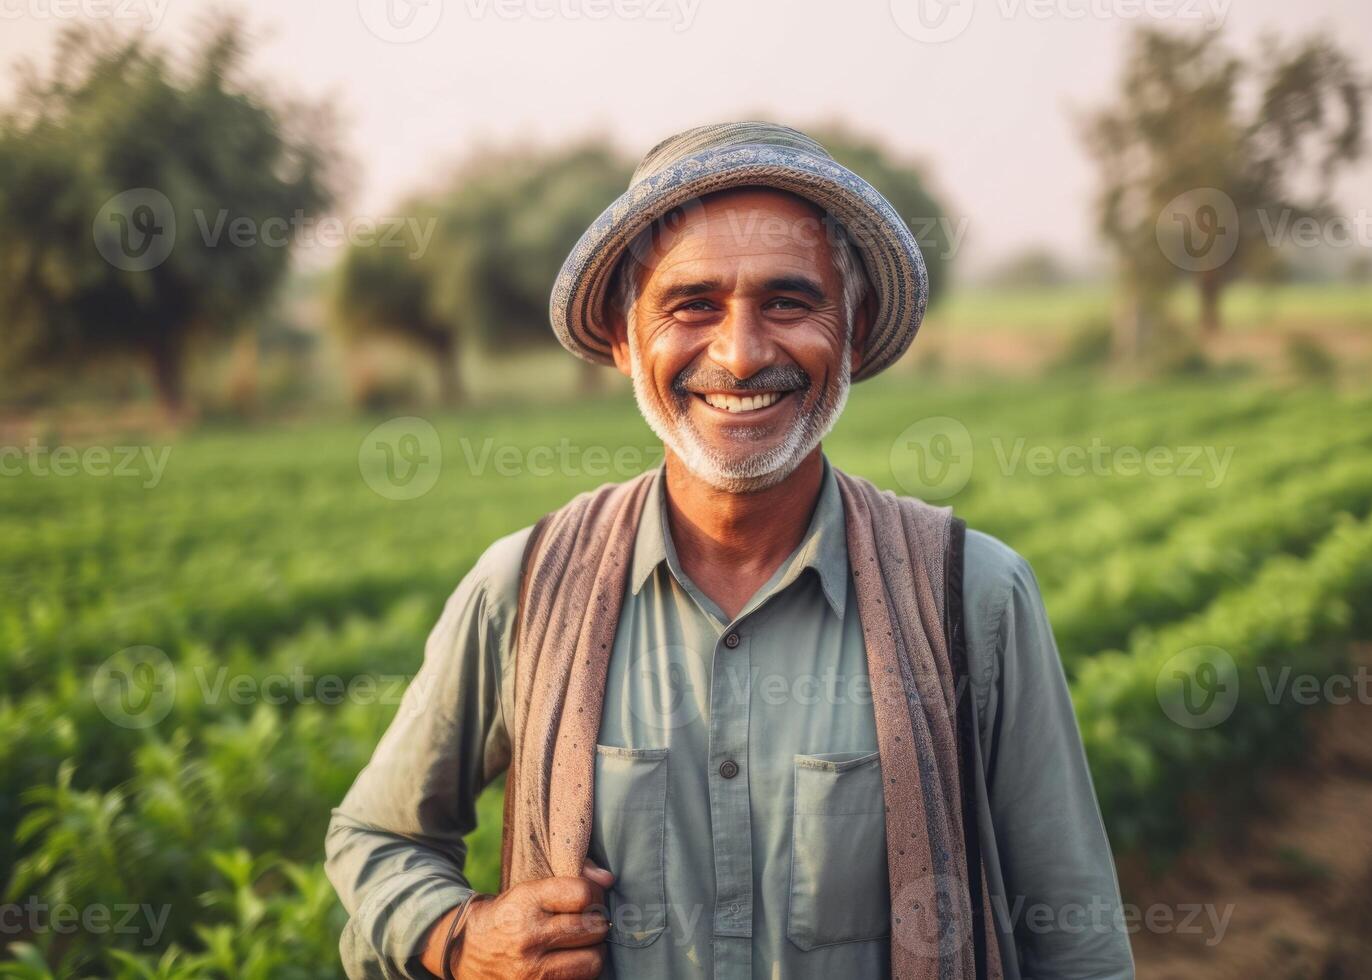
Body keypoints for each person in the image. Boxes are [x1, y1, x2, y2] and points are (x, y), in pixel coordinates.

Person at [325, 121, 1135, 980]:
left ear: (852, 334)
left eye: (789, 303)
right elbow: (375, 838)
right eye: (691, 305)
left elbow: (1072, 934)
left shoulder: (972, 596)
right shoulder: (524, 590)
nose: (741, 355)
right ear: (625, 339)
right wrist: (462, 937)